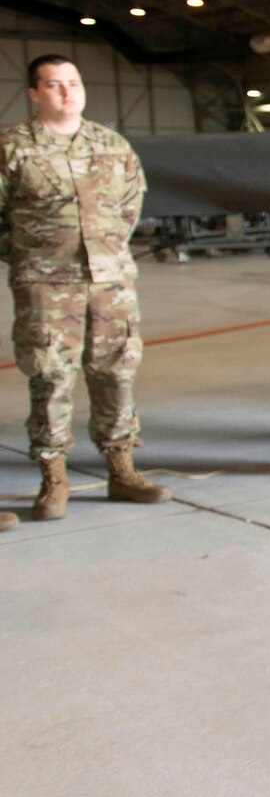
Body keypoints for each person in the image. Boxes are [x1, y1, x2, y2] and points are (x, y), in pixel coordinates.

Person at [1, 54, 172, 521]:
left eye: (73, 82)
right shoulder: (12, 147)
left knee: (116, 370)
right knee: (51, 375)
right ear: (34, 93)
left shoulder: (111, 145)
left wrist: (108, 249)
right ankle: (54, 478)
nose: (66, 92)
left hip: (111, 280)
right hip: (44, 283)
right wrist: (30, 254)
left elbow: (131, 203)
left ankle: (122, 471)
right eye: (54, 85)